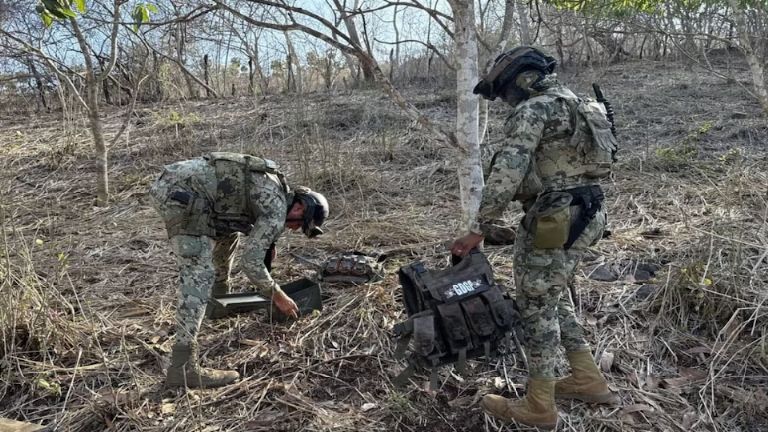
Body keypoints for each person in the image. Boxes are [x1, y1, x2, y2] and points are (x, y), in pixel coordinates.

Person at [451, 46, 619, 430]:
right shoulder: (581, 105)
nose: (508, 100)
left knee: (536, 307)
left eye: (506, 91)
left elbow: (509, 169)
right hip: (590, 211)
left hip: (554, 217)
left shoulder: (534, 109)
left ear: (522, 79)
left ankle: (539, 406)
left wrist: (479, 228)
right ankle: (587, 378)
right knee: (552, 296)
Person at [149, 152, 329, 389]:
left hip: (179, 184)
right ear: (299, 207)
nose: (294, 229)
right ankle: (183, 368)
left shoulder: (274, 190)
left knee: (228, 233)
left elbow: (237, 211)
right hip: (183, 195)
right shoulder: (276, 209)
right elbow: (251, 263)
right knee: (198, 275)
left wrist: (266, 241)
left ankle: (218, 300)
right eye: (299, 224)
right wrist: (277, 295)